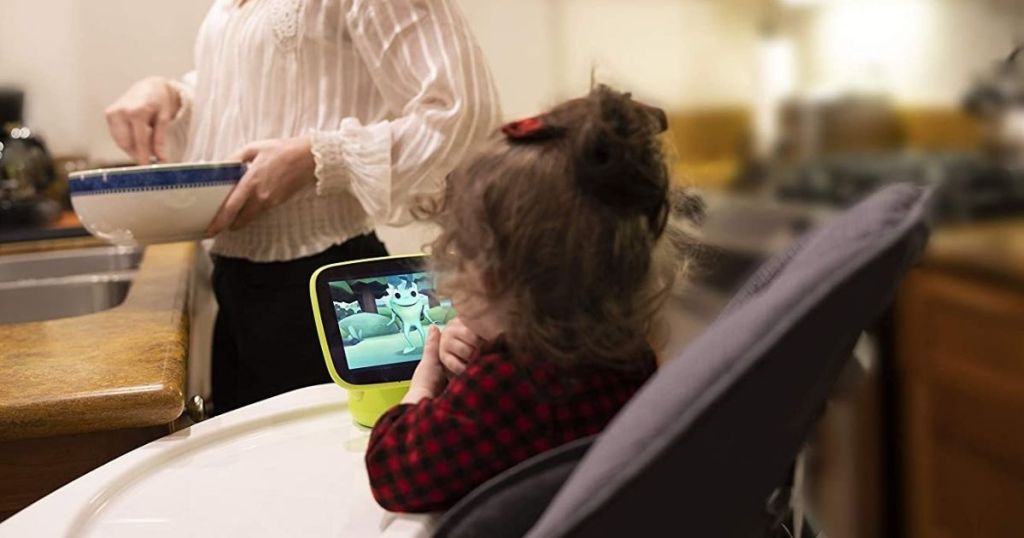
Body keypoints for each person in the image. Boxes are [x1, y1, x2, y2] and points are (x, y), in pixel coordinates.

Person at [104, 0, 501, 414]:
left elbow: (465, 115)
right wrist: (171, 96)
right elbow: (254, 103)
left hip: (319, 291)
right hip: (239, 287)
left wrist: (320, 157)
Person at [365, 85, 706, 512]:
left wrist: (424, 385)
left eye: (458, 257)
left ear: (492, 278)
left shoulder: (507, 384)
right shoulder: (625, 352)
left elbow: (393, 473)